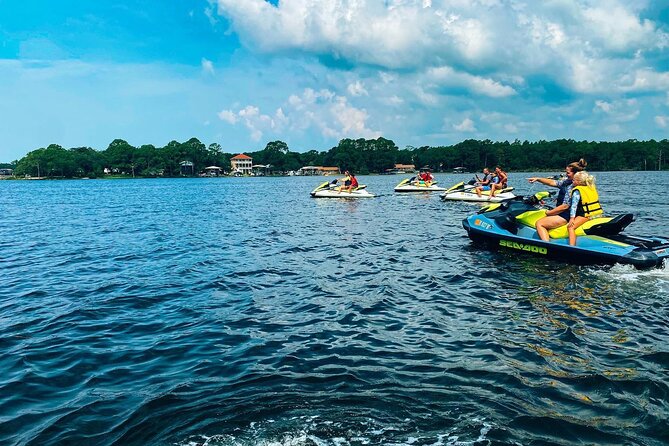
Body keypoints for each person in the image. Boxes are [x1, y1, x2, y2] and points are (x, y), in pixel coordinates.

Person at [527, 159, 587, 242]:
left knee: (539, 223)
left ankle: (547, 245)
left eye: (568, 173)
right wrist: (538, 179)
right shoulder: (572, 182)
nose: (566, 174)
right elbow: (553, 182)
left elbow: (565, 206)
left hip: (567, 215)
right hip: (575, 213)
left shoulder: (572, 187)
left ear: (576, 174)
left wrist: (549, 213)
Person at [567, 170, 603, 246]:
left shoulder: (577, 190)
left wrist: (572, 218)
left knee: (570, 227)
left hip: (586, 215)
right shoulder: (591, 188)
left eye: (574, 180)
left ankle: (571, 246)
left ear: (579, 182)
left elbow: (574, 206)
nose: (572, 181)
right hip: (597, 214)